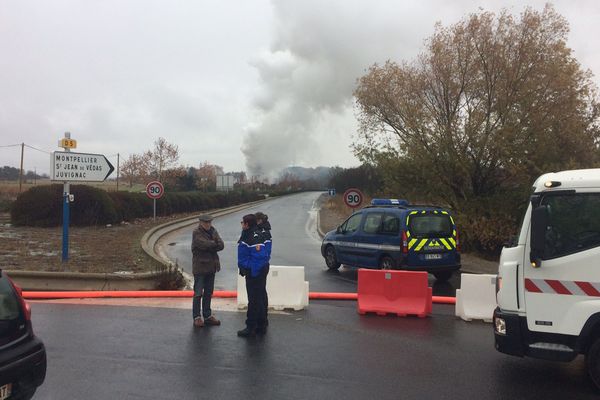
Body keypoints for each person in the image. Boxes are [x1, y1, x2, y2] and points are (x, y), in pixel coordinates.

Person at [237, 213, 271, 337]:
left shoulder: (254, 236)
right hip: (254, 271)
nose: (241, 224)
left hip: (255, 272)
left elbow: (259, 258)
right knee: (259, 297)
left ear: (247, 224)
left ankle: (250, 326)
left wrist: (250, 269)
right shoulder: (250, 233)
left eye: (242, 222)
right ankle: (261, 324)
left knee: (254, 300)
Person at [191, 214, 224, 328]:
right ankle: (197, 317)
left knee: (208, 293)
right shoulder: (196, 232)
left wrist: (212, 244)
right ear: (200, 222)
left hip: (211, 267)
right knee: (198, 294)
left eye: (209, 222)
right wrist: (214, 244)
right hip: (200, 268)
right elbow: (203, 244)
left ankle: (207, 316)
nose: (208, 224)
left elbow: (221, 245)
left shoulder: (213, 231)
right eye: (206, 222)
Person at [255, 212, 271, 325]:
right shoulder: (266, 230)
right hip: (264, 265)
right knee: (262, 292)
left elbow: (260, 251)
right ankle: (263, 318)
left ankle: (261, 319)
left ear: (259, 220)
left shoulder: (262, 232)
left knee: (258, 293)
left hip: (260, 266)